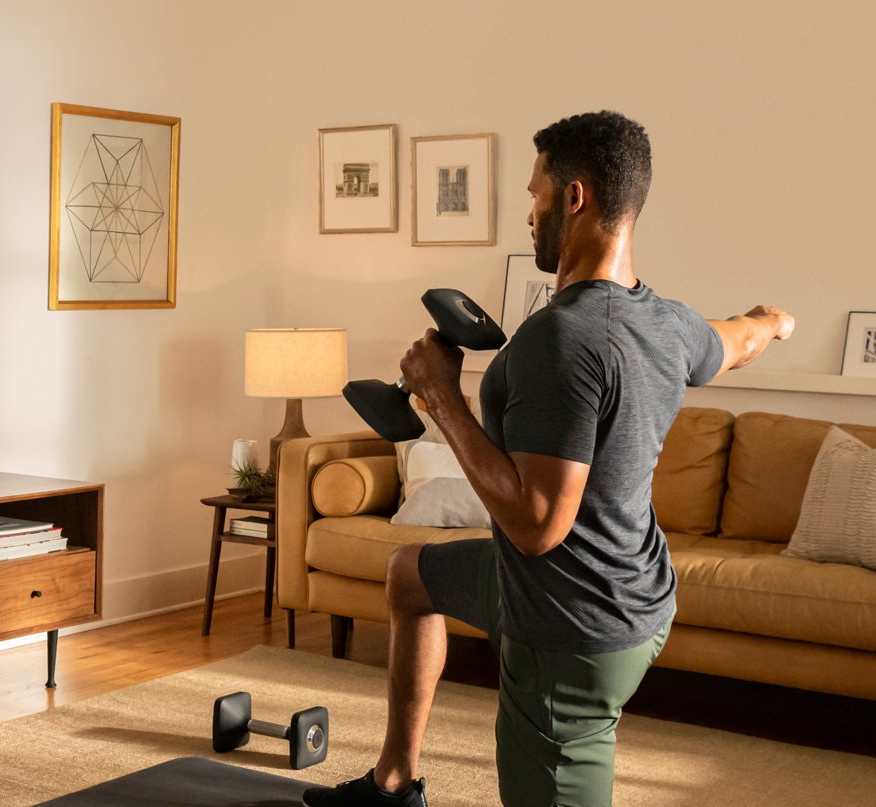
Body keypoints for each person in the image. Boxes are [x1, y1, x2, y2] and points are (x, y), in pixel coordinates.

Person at [303, 111, 795, 807]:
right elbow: (737, 339)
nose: (527, 213)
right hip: (636, 594)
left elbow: (537, 525)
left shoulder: (562, 341)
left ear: (575, 197)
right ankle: (393, 780)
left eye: (534, 194)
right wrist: (773, 321)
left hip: (568, 629)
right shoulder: (665, 320)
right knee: (408, 575)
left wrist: (441, 398)